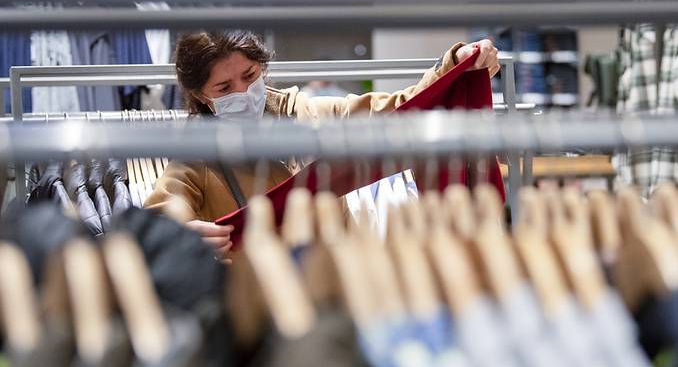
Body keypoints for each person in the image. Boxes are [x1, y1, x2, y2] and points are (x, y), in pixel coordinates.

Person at [144, 30, 500, 263]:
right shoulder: (196, 161)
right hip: (263, 312)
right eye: (224, 88)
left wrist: (455, 65)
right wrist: (177, 239)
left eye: (250, 76)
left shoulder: (308, 114)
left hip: (340, 291)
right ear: (200, 96)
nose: (242, 93)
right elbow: (154, 223)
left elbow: (395, 110)